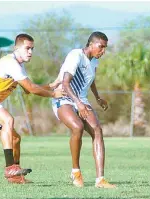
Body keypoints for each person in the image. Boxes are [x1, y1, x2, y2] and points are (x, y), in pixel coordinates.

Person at [0, 33, 66, 184]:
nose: (30, 52)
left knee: (15, 138)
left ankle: (15, 176)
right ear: (16, 48)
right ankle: (10, 168)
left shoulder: (19, 65)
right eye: (27, 48)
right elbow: (31, 89)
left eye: (32, 48)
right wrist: (54, 94)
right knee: (8, 119)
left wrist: (52, 85)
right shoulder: (10, 63)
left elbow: (28, 89)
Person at [51, 31, 116, 188]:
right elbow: (66, 83)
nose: (103, 51)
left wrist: (98, 97)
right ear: (91, 44)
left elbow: (91, 80)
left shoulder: (94, 62)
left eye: (105, 48)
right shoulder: (76, 56)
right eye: (101, 47)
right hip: (63, 97)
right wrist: (78, 103)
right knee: (77, 127)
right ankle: (76, 172)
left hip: (81, 99)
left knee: (97, 130)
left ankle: (100, 180)